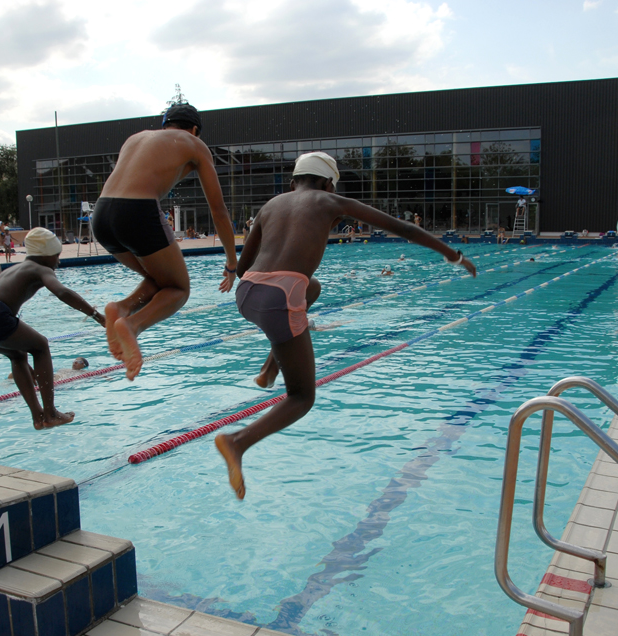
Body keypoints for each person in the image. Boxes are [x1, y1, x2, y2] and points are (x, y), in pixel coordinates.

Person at [214, 152, 477, 500]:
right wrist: (453, 255)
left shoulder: (272, 204)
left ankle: (267, 371)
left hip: (247, 294)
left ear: (294, 182)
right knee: (302, 397)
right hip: (279, 300)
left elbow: (245, 262)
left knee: (312, 287)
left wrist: (232, 275)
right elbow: (404, 228)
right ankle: (237, 441)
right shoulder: (331, 200)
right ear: (327, 183)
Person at [92, 103, 238, 381]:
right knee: (179, 289)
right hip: (136, 211)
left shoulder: (135, 139)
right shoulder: (194, 144)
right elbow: (218, 211)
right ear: (195, 130)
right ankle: (132, 325)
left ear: (165, 125)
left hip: (101, 215)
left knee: (161, 280)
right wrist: (232, 262)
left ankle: (121, 307)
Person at [0, 228, 106, 430]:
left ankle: (38, 417)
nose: (58, 262)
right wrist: (97, 316)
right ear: (46, 255)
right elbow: (62, 292)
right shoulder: (41, 268)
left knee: (18, 355)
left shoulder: (17, 268)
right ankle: (51, 413)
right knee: (41, 345)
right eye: (57, 256)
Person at [8, 357, 90, 382]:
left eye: (78, 361)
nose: (75, 363)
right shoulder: (63, 369)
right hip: (50, 378)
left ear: (84, 365)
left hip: (55, 382)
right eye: (74, 361)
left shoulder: (83, 372)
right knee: (12, 375)